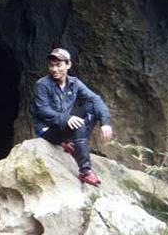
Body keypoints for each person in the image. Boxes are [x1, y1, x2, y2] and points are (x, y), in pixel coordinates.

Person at [32, 47, 115, 186]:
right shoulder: (42, 85)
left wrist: (105, 123)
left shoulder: (74, 83)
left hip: (63, 126)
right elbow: (42, 110)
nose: (54, 69)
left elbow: (96, 99)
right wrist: (66, 118)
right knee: (79, 123)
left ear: (68, 65)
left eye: (59, 65)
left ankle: (72, 143)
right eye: (51, 65)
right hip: (47, 130)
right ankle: (85, 171)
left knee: (92, 108)